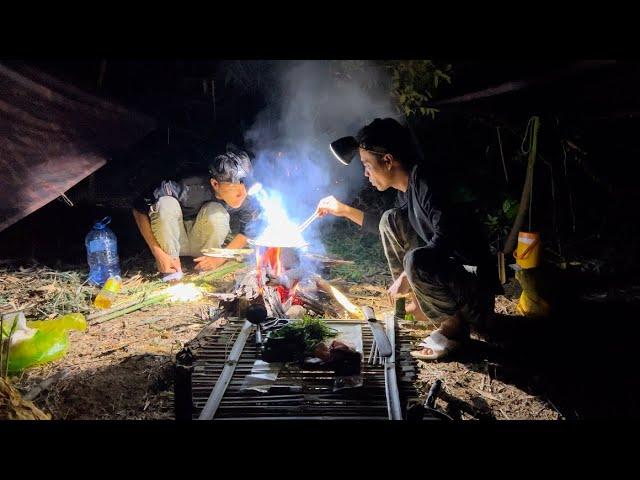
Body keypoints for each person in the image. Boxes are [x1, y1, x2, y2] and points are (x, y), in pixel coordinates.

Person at [319, 118, 500, 360]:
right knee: (389, 220)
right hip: (455, 285)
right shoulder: (407, 192)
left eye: (367, 165)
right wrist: (342, 209)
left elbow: (446, 235)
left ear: (388, 160)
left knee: (416, 258)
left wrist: (407, 273)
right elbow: (382, 224)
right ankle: (419, 302)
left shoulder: (427, 180)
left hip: (474, 291)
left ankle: (454, 329)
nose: (365, 173)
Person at [132, 147, 259, 275]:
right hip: (175, 238)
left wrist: (220, 258)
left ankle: (205, 266)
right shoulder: (187, 188)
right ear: (215, 184)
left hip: (201, 244)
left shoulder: (245, 195)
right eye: (234, 188)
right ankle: (171, 269)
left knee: (216, 212)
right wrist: (158, 253)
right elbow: (138, 209)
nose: (242, 193)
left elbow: (248, 230)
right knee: (165, 204)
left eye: (245, 185)